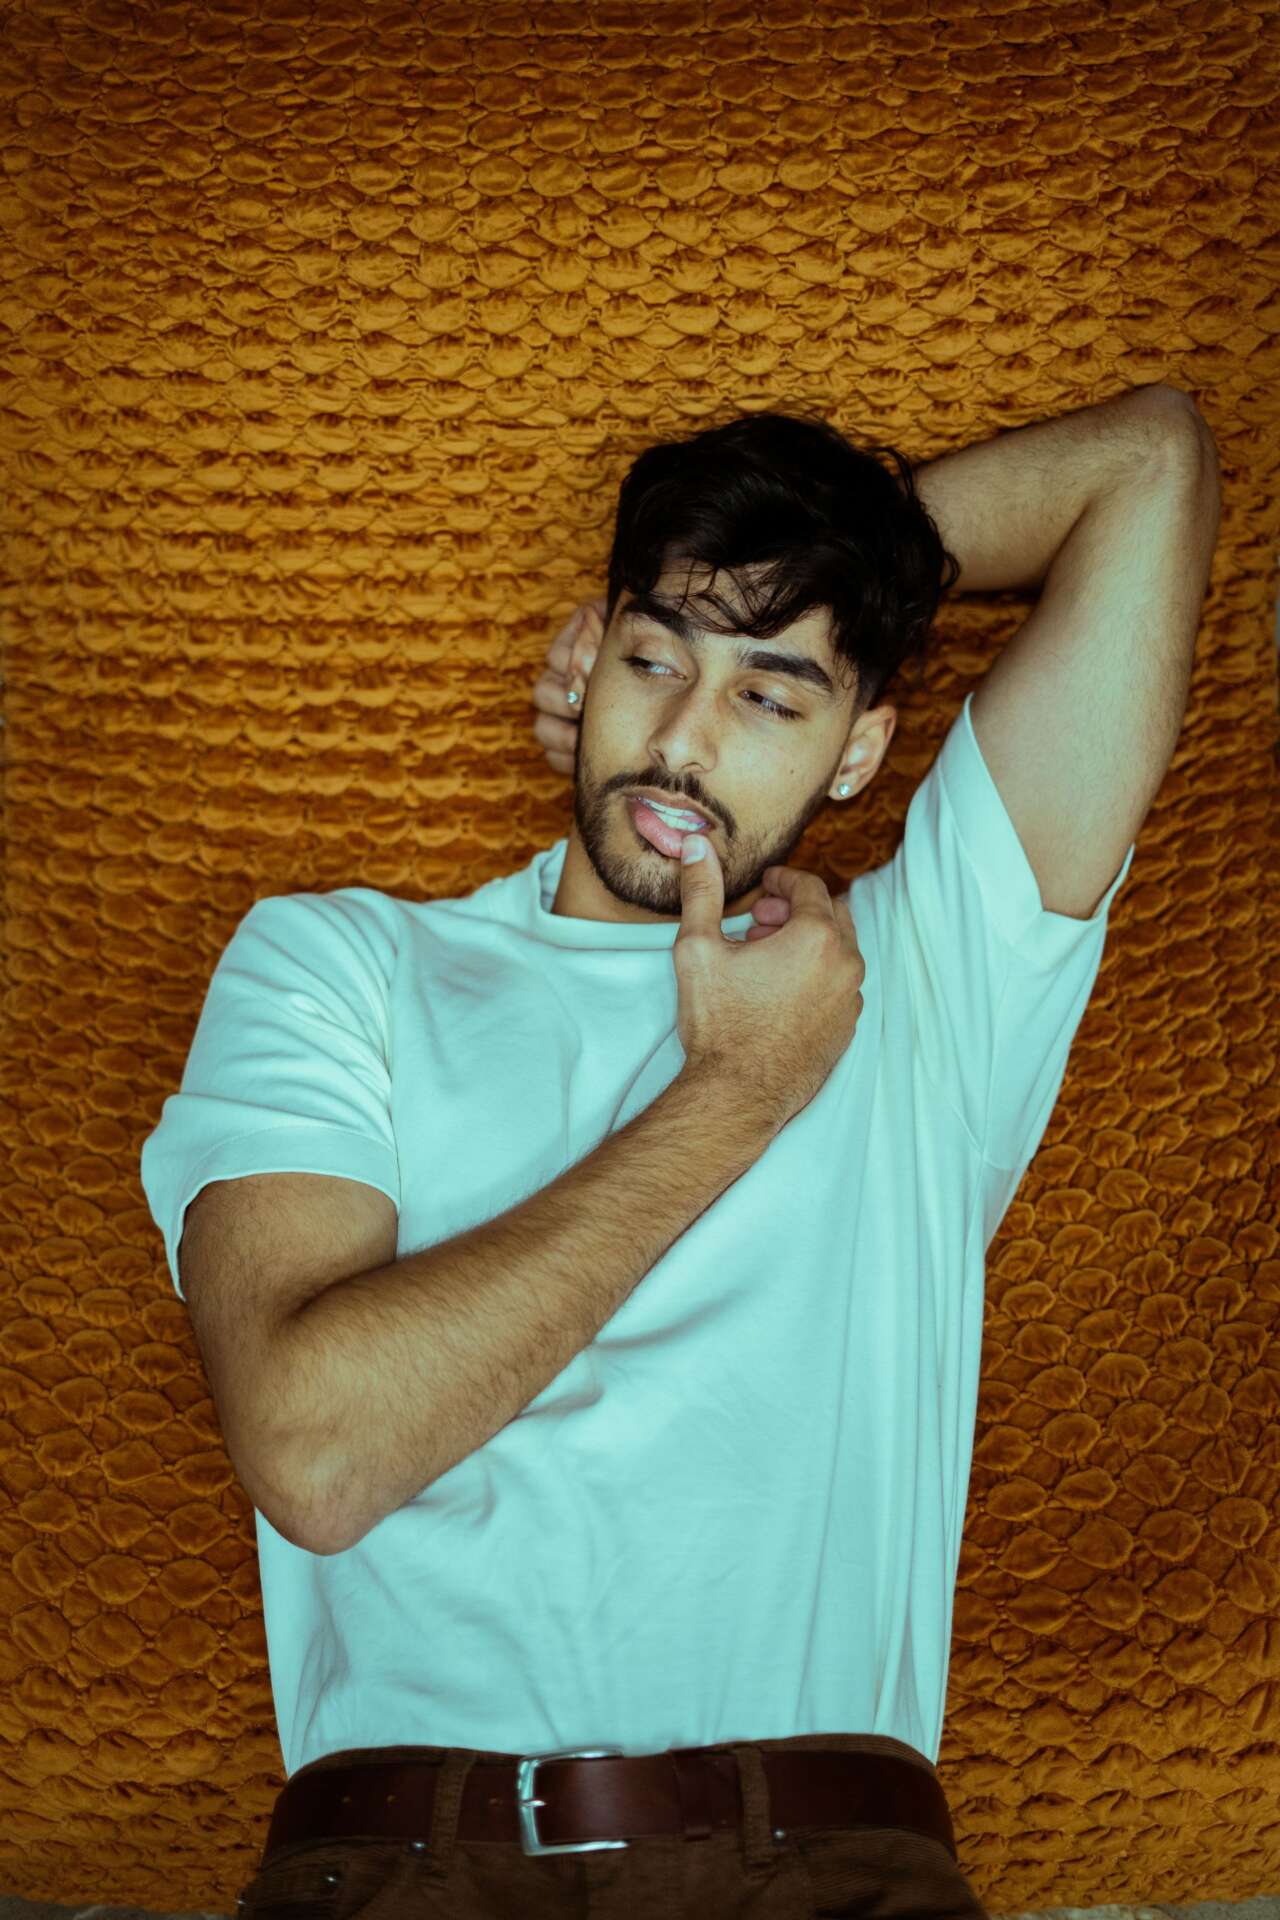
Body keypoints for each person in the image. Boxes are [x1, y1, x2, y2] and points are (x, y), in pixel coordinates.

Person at [140, 406, 1147, 1918]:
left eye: (771, 693)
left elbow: (1147, 472)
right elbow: (315, 1453)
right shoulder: (338, 963)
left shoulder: (928, 977)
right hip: (413, 1862)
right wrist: (735, 1097)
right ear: (591, 653)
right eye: (655, 659)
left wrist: (829, 564)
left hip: (822, 1866)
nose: (682, 739)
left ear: (863, 750)